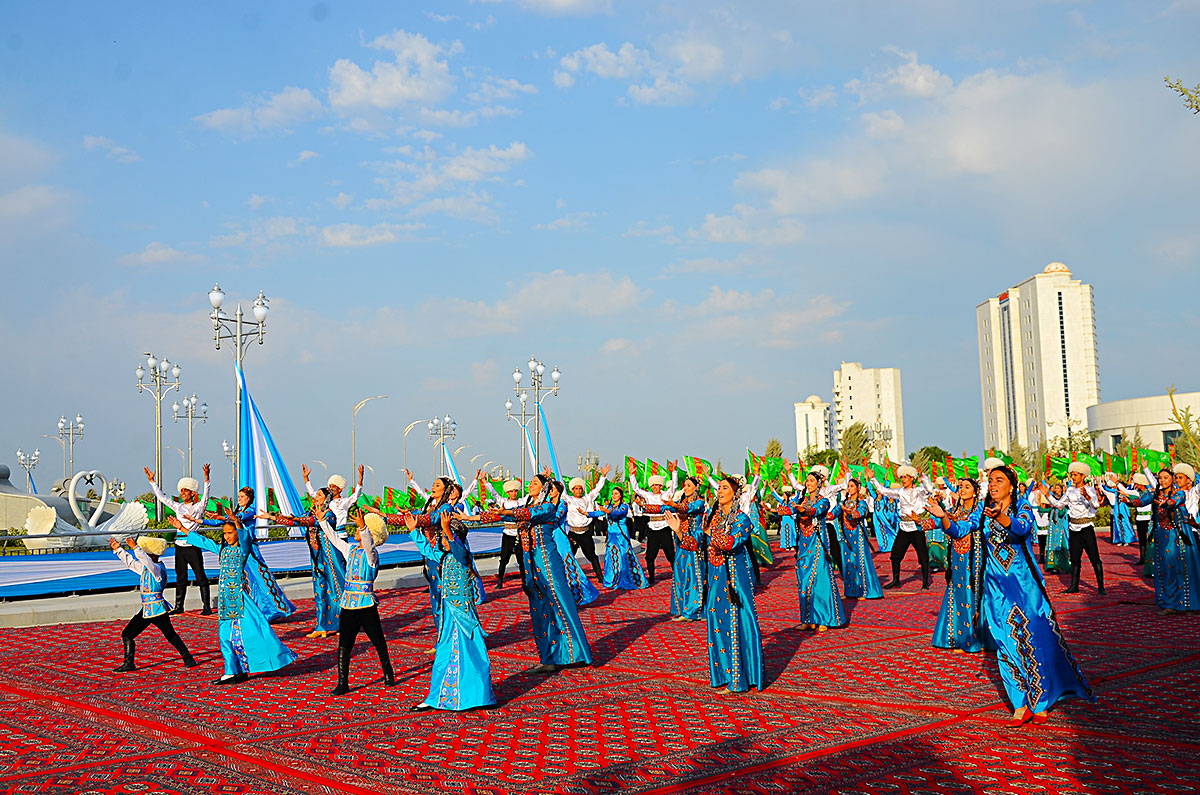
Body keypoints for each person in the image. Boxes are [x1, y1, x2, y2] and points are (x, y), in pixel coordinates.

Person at [979, 465, 1093, 727]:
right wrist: (943, 519)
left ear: (1011, 485)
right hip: (995, 589)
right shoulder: (983, 513)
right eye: (990, 480)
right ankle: (1019, 703)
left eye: (999, 480)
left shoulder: (1023, 509)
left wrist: (1001, 518)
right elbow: (961, 529)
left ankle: (1040, 701)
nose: (993, 485)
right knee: (1004, 641)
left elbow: (1019, 529)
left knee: (1033, 638)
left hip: (1025, 587)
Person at [479, 474, 592, 673]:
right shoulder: (528, 507)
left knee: (559, 604)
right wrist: (469, 517)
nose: (530, 485)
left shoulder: (548, 507)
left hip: (548, 563)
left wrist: (505, 511)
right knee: (539, 609)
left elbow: (523, 513)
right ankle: (548, 657)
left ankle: (576, 653)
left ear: (545, 488)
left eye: (534, 483)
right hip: (531, 563)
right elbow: (509, 514)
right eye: (530, 482)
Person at [664, 475, 764, 693]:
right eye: (719, 488)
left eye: (725, 488)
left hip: (735, 578)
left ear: (735, 494)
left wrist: (710, 533)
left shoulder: (742, 519)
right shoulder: (713, 517)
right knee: (716, 618)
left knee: (736, 621)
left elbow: (732, 542)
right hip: (716, 577)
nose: (719, 491)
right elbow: (696, 542)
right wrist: (679, 531)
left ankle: (740, 679)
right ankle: (725, 675)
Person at [170, 511, 295, 685]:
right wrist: (182, 528)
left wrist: (236, 521)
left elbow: (245, 538)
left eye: (230, 533)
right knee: (225, 637)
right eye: (225, 534)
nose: (227, 536)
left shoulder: (242, 550)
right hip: (225, 602)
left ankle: (258, 663)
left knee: (253, 633)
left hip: (241, 601)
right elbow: (204, 542)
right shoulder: (223, 549)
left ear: (237, 532)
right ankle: (233, 671)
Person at [407, 508, 496, 710]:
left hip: (463, 615)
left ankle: (476, 697)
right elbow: (428, 550)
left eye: (445, 537)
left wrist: (447, 529)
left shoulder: (462, 554)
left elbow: (457, 548)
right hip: (450, 612)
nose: (442, 541)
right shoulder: (445, 556)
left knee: (470, 652)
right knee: (446, 651)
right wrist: (414, 532)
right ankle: (438, 696)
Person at [324, 510, 395, 696]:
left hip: (366, 604)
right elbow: (335, 540)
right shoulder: (351, 550)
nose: (357, 529)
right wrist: (322, 521)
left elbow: (369, 546)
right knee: (344, 643)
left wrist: (364, 527)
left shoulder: (372, 555)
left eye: (361, 528)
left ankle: (388, 673)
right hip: (348, 604)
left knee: (378, 640)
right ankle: (342, 682)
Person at [201, 486, 296, 622]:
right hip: (241, 550)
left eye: (242, 497)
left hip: (250, 550)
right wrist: (198, 521)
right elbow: (223, 521)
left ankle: (275, 610)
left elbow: (237, 519)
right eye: (238, 496)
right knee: (247, 582)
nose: (239, 499)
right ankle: (256, 612)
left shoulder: (250, 511)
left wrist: (225, 517)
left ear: (249, 499)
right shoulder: (237, 511)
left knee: (261, 581)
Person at [109, 535, 197, 672]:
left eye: (148, 553)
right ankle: (129, 663)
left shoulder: (156, 569)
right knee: (129, 634)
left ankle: (188, 658)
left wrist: (136, 548)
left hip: (156, 609)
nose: (145, 556)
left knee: (169, 635)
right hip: (147, 609)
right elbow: (131, 563)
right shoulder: (146, 569)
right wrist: (119, 550)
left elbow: (144, 560)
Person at [926, 478, 993, 653]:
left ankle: (974, 639)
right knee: (957, 590)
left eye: (967, 487)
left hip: (975, 556)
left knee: (973, 591)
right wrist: (919, 523)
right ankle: (957, 637)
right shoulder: (956, 508)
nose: (962, 490)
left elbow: (969, 525)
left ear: (975, 491)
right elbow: (940, 522)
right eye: (960, 487)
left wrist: (948, 519)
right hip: (957, 556)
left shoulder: (979, 509)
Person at [270, 488, 345, 638]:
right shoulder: (310, 513)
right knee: (320, 590)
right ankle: (321, 626)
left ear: (327, 498)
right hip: (317, 557)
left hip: (330, 556)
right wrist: (275, 518)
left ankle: (342, 624)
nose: (316, 497)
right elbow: (297, 521)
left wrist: (298, 519)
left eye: (319, 495)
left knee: (337, 588)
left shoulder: (330, 514)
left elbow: (313, 522)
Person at [777, 471, 846, 631]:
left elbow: (813, 511)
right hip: (804, 544)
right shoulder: (802, 500)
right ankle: (808, 618)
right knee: (804, 579)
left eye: (811, 481)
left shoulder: (823, 501)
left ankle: (824, 618)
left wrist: (801, 509)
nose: (808, 483)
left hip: (818, 544)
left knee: (820, 580)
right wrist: (780, 510)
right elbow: (791, 510)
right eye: (807, 481)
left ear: (819, 484)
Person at [144, 464, 212, 615]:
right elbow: (162, 497)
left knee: (200, 575)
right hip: (179, 547)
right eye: (181, 491)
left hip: (192, 545)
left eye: (185, 491)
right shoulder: (178, 507)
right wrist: (152, 481)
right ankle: (179, 606)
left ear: (192, 493)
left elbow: (206, 496)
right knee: (181, 577)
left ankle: (206, 606)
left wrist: (207, 478)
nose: (182, 493)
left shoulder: (198, 508)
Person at [643, 475, 708, 620]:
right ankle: (684, 609)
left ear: (697, 488)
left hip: (693, 541)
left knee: (693, 574)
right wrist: (644, 506)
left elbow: (688, 508)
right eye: (684, 485)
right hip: (680, 540)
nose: (685, 488)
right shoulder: (681, 501)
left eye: (689, 485)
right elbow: (664, 508)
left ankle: (694, 610)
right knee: (681, 574)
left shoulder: (699, 503)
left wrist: (674, 505)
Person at [1041, 462, 1104, 595]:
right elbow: (1059, 505)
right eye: (1072, 475)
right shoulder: (1069, 490)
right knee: (1075, 559)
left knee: (1094, 558)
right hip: (1073, 528)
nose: (1073, 477)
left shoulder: (1090, 489)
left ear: (1082, 476)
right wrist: (1047, 495)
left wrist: (1087, 497)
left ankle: (1101, 587)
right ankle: (1074, 586)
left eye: (1075, 475)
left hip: (1086, 527)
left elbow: (1096, 506)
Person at [871, 465, 934, 589]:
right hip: (904, 528)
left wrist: (923, 476)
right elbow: (883, 491)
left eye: (906, 477)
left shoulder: (918, 491)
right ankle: (896, 580)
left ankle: (926, 582)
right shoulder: (899, 492)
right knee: (895, 555)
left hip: (916, 528)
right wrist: (873, 478)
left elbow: (929, 489)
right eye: (902, 477)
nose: (903, 479)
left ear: (912, 478)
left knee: (923, 556)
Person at [583, 485, 648, 590]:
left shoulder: (624, 506)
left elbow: (618, 513)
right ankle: (612, 579)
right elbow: (598, 513)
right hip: (611, 536)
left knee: (624, 556)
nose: (613, 496)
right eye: (612, 494)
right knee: (612, 557)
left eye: (616, 494)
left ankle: (630, 579)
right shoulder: (609, 506)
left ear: (621, 496)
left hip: (621, 536)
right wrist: (585, 513)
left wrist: (607, 511)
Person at [628, 463, 679, 584]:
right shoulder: (648, 495)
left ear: (661, 486)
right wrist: (631, 474)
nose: (655, 487)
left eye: (658, 485)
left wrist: (674, 472)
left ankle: (677, 576)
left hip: (665, 528)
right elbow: (636, 489)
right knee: (650, 556)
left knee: (671, 555)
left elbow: (674, 487)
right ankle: (651, 577)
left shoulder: (666, 495)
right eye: (653, 485)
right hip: (652, 528)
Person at [562, 467, 611, 582]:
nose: (578, 491)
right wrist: (549, 478)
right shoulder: (568, 499)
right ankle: (566, 577)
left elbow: (597, 489)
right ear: (572, 490)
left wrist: (603, 476)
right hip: (573, 533)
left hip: (585, 533)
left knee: (592, 556)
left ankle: (600, 576)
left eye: (580, 488)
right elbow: (558, 490)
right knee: (569, 556)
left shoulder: (588, 498)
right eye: (576, 489)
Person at [838, 478, 883, 600]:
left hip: (858, 535)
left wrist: (850, 514)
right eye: (848, 486)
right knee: (848, 562)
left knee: (861, 562)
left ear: (858, 488)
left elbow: (860, 513)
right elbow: (834, 512)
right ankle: (850, 591)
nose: (849, 488)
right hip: (846, 536)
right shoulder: (844, 502)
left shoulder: (862, 502)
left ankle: (865, 591)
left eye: (852, 486)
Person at [483, 475, 528, 587]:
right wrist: (485, 482)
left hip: (519, 534)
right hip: (508, 534)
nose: (514, 493)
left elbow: (532, 495)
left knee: (521, 559)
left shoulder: (521, 502)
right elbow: (494, 494)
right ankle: (500, 582)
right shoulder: (503, 502)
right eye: (511, 491)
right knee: (504, 559)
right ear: (507, 492)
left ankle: (524, 581)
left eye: (515, 491)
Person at [303, 465, 364, 530]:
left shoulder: (344, 502)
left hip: (341, 533)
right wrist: (306, 477)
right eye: (330, 486)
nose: (331, 489)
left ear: (340, 489)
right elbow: (313, 493)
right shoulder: (327, 500)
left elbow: (356, 496)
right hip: (330, 533)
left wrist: (360, 479)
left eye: (333, 486)